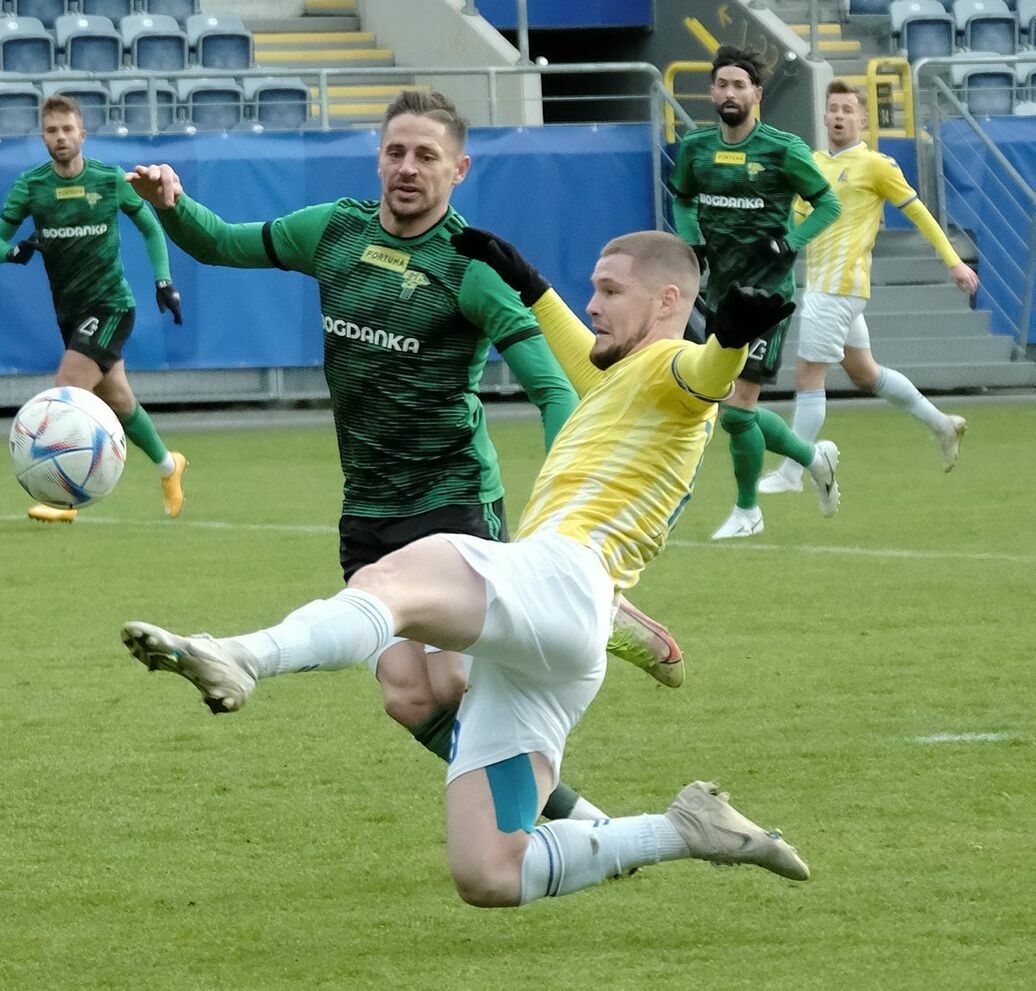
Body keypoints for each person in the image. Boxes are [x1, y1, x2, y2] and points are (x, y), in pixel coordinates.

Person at [120, 229, 810, 907]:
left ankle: (242, 655)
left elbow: (705, 376)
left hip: (562, 576)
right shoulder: (620, 374)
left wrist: (730, 340)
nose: (592, 304)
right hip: (561, 639)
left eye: (608, 291)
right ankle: (682, 829)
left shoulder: (674, 370)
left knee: (393, 580)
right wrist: (527, 277)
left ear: (666, 303)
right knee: (491, 872)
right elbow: (573, 343)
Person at [122, 89, 661, 821]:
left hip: (454, 501)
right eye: (396, 151)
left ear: (459, 169)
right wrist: (171, 202)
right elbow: (220, 242)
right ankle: (583, 813)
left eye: (426, 156)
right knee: (411, 698)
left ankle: (585, 616)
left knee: (465, 684)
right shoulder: (333, 231)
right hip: (368, 505)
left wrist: (565, 523)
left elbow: (554, 390)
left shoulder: (471, 266)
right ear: (379, 156)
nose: (407, 168)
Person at [759, 79, 979, 494]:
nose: (840, 116)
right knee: (865, 373)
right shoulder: (814, 163)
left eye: (847, 110)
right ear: (824, 116)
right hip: (825, 284)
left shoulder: (876, 165)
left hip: (838, 286)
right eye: (833, 109)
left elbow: (920, 214)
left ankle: (791, 474)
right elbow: (800, 222)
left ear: (862, 118)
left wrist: (953, 261)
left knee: (809, 376)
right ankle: (942, 425)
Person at [0, 95, 188, 524]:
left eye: (67, 129)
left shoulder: (109, 179)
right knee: (120, 402)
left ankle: (65, 499)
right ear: (43, 137)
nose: (60, 138)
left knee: (66, 389)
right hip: (70, 312)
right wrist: (15, 251)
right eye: (51, 131)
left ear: (83, 134)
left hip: (111, 305)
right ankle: (170, 466)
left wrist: (164, 280)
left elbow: (151, 226)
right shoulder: (31, 186)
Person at [669, 45, 844, 540]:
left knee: (737, 407)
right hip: (722, 294)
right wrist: (692, 242)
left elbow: (828, 205)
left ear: (757, 94)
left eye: (739, 85)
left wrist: (790, 241)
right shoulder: (696, 148)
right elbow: (682, 198)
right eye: (722, 84)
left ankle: (749, 511)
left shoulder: (782, 149)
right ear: (711, 92)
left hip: (767, 294)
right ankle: (814, 457)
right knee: (730, 405)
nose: (729, 92)